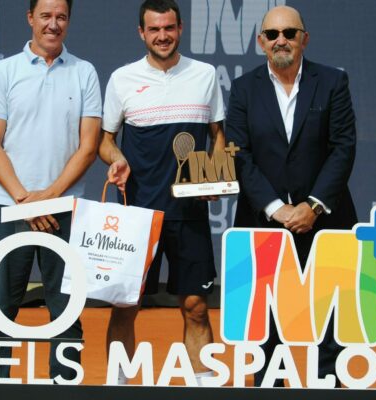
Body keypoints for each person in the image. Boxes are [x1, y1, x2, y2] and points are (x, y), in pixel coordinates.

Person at [225, 5, 358, 387]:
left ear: (304, 39)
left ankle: (328, 382)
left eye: (289, 32)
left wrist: (313, 205)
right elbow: (238, 152)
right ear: (260, 42)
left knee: (330, 312)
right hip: (262, 219)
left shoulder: (332, 82)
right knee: (265, 315)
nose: (280, 39)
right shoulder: (244, 88)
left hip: (325, 219)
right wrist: (276, 208)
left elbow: (343, 148)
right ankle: (270, 384)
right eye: (271, 34)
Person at [97, 0, 226, 386]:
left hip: (190, 216)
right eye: (154, 29)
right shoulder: (122, 78)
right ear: (142, 33)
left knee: (196, 307)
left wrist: (215, 176)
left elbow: (219, 136)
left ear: (180, 28)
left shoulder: (204, 75)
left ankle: (203, 385)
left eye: (168, 28)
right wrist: (117, 158)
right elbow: (106, 141)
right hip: (138, 215)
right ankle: (118, 385)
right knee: (126, 306)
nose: (162, 36)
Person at [0, 0, 101, 383]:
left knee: (66, 313)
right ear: (30, 18)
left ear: (69, 21)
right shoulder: (4, 71)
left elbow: (88, 146)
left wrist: (47, 198)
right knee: (0, 311)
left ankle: (62, 389)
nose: (53, 24)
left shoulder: (85, 72)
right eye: (45, 16)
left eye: (61, 17)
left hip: (64, 211)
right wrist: (24, 203)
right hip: (8, 208)